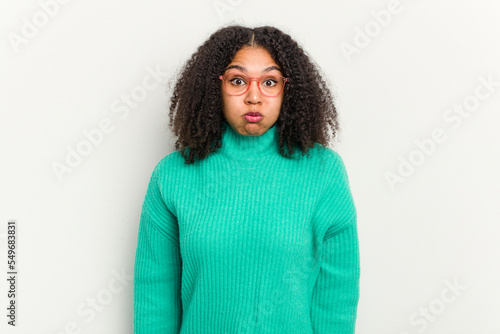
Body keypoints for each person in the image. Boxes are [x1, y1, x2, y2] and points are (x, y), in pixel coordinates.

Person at [133, 25, 360, 334]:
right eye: (238, 81)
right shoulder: (172, 175)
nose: (254, 97)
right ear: (215, 87)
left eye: (270, 82)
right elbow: (155, 295)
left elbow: (336, 295)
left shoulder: (324, 173)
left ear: (287, 90)